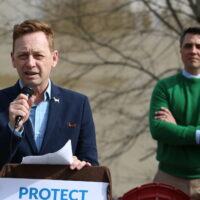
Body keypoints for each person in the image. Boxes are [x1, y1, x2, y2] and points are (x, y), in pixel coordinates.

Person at [0, 19, 98, 170]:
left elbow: (92, 166)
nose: (30, 63)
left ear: (54, 58)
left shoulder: (78, 104)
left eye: (38, 55)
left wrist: (82, 166)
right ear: (13, 59)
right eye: (23, 55)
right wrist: (13, 129)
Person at [149, 27, 200, 199]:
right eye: (188, 46)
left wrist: (177, 129)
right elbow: (157, 129)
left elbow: (168, 131)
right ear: (180, 51)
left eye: (198, 46)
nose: (193, 51)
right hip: (168, 178)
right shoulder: (165, 87)